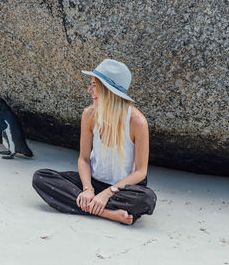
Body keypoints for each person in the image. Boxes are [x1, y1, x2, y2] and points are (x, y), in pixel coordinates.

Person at [32, 59, 157, 225]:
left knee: (146, 199)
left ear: (109, 91)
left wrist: (108, 193)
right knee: (41, 178)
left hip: (122, 188)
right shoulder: (89, 115)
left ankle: (91, 205)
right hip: (94, 181)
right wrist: (88, 189)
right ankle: (108, 213)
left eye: (94, 85)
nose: (89, 90)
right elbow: (83, 159)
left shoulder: (137, 122)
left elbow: (141, 172)